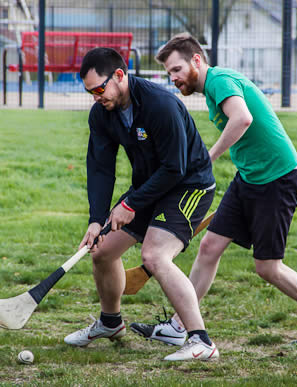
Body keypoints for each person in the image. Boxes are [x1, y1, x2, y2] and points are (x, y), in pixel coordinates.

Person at [130, 33, 297, 347]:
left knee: (268, 267)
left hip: (278, 180)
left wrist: (207, 158)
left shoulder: (220, 80)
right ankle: (179, 326)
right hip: (249, 179)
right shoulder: (211, 89)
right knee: (209, 247)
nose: (173, 78)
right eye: (169, 73)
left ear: (196, 61)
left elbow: (242, 118)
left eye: (176, 69)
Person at [63, 47, 219, 361]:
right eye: (89, 91)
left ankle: (201, 342)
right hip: (149, 188)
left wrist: (131, 204)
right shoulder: (102, 114)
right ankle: (110, 323)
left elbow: (175, 167)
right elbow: (101, 168)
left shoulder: (160, 105)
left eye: (99, 88)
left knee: (155, 255)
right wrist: (97, 219)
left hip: (190, 186)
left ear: (119, 76)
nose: (95, 97)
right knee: (102, 251)